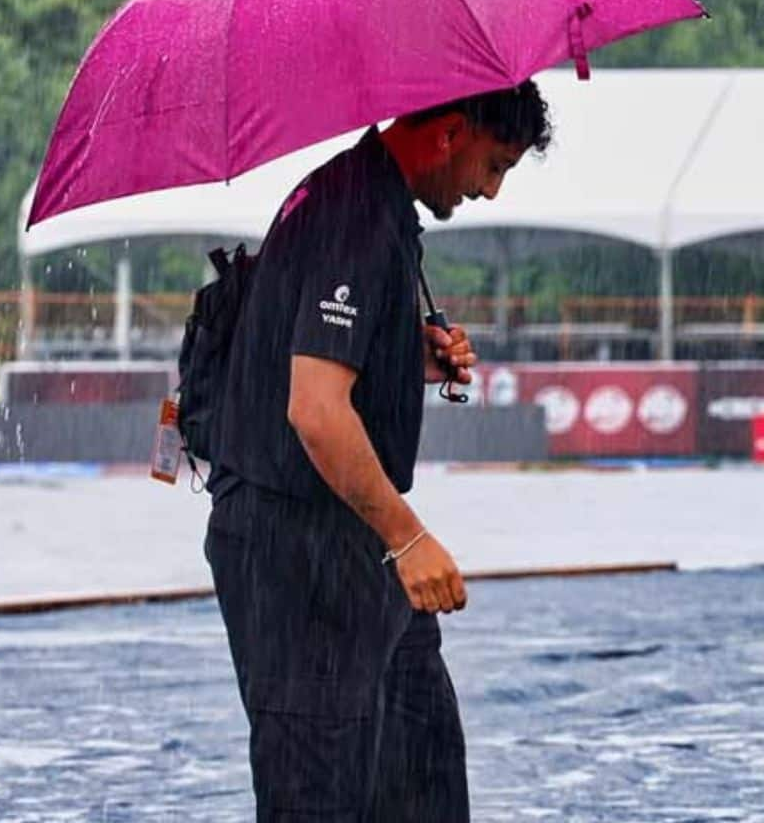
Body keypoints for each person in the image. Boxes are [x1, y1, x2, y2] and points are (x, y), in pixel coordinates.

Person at [204, 81, 551, 820]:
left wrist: (401, 354)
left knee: (421, 777)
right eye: (494, 166)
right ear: (451, 132)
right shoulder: (355, 215)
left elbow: (303, 355)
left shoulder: (368, 199)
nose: (489, 192)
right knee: (321, 797)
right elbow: (316, 411)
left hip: (348, 549)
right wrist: (409, 537)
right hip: (296, 556)